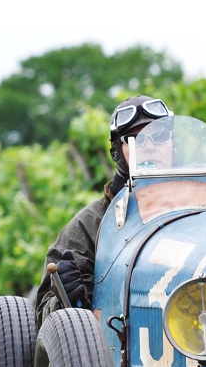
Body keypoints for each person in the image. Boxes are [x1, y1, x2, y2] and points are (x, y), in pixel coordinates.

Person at [35, 95, 173, 325]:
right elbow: (43, 316)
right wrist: (69, 300)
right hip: (121, 346)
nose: (149, 146)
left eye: (159, 136)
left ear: (173, 144)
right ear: (117, 151)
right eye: (135, 139)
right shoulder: (90, 224)